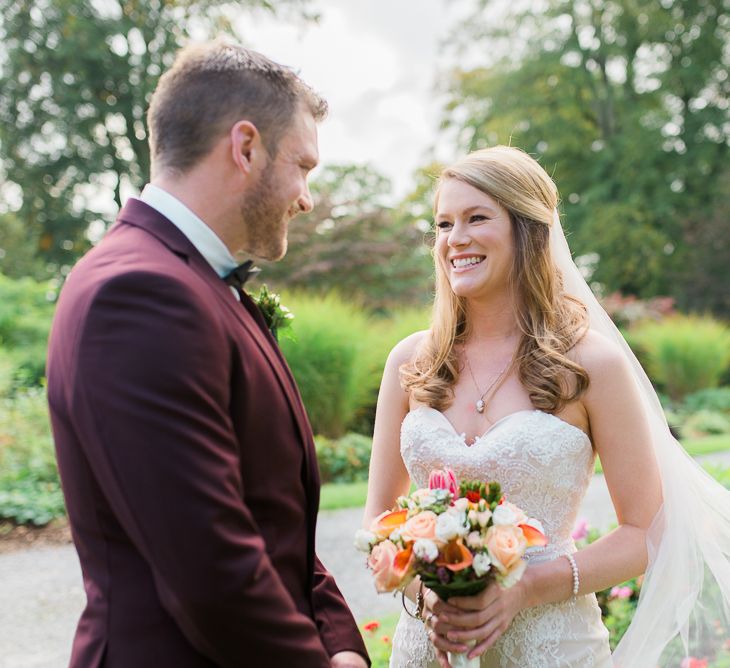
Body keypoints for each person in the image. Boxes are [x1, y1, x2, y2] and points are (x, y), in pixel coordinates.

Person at [46, 40, 368, 668]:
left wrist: (340, 645)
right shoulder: (137, 294)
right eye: (302, 166)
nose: (306, 198)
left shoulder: (198, 283)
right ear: (245, 147)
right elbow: (211, 568)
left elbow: (277, 522)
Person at [363, 145, 730, 667]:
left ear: (527, 229)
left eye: (476, 218)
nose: (454, 239)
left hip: (553, 648)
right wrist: (433, 596)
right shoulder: (411, 361)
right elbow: (379, 519)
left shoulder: (591, 365)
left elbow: (647, 530)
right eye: (443, 224)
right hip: (428, 648)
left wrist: (525, 588)